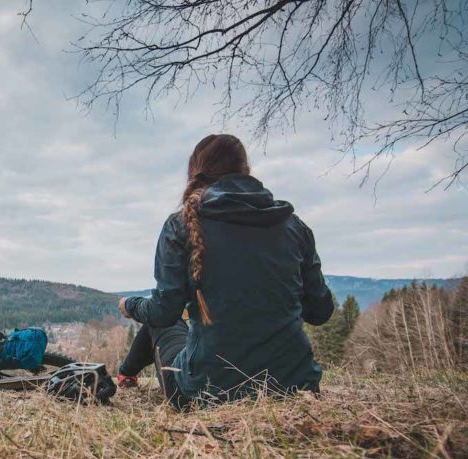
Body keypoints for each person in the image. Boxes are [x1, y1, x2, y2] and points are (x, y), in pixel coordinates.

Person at [118, 134, 334, 409]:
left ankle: (125, 375)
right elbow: (320, 311)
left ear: (194, 173)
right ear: (246, 170)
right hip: (296, 387)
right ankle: (126, 373)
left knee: (161, 321)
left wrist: (130, 304)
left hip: (206, 392)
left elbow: (163, 312)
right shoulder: (294, 226)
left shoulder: (179, 225)